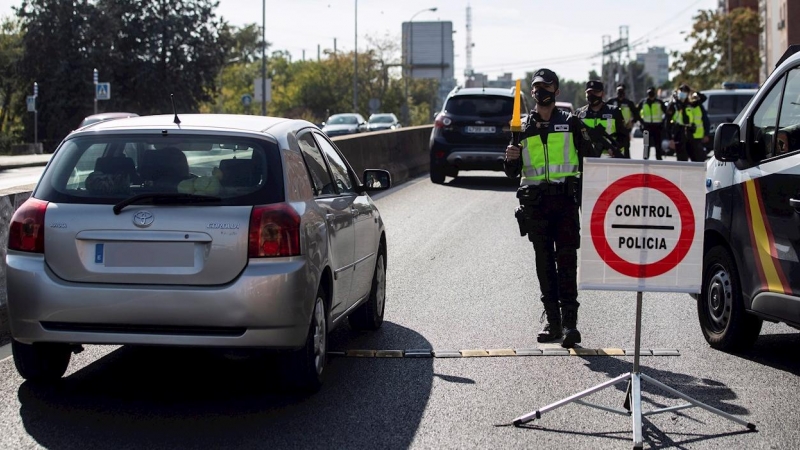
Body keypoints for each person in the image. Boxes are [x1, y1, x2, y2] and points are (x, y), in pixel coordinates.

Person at [504, 68, 598, 348]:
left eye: (546, 86)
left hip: (565, 203)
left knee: (567, 262)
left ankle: (570, 324)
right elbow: (511, 172)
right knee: (544, 265)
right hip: (536, 206)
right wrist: (510, 159)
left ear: (556, 91)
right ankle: (553, 322)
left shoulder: (572, 123)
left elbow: (591, 159)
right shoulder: (521, 127)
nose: (540, 90)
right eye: (536, 86)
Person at [576, 80, 628, 158]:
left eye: (595, 92)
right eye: (589, 93)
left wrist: (615, 148)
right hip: (585, 160)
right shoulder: (579, 113)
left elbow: (623, 136)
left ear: (602, 94)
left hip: (608, 160)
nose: (592, 95)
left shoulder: (614, 111)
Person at [667, 84, 705, 162]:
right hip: (679, 133)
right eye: (682, 91)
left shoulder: (690, 104)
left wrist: (693, 91)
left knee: (696, 158)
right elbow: (667, 120)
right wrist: (670, 139)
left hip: (690, 133)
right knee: (682, 159)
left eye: (685, 92)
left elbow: (703, 98)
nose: (683, 93)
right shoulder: (675, 105)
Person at [605, 84, 641, 158]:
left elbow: (636, 114)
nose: (620, 95)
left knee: (626, 148)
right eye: (619, 92)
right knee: (613, 147)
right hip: (613, 129)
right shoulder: (611, 101)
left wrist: (632, 121)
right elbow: (603, 111)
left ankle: (627, 163)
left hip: (625, 129)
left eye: (622, 93)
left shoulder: (628, 103)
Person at [637, 87, 667, 160]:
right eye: (649, 93)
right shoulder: (643, 102)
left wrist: (663, 122)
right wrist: (641, 122)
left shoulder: (659, 102)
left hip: (657, 126)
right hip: (647, 127)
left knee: (658, 145)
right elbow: (636, 113)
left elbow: (666, 113)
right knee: (646, 145)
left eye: (652, 93)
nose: (650, 95)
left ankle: (659, 159)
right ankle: (645, 160)